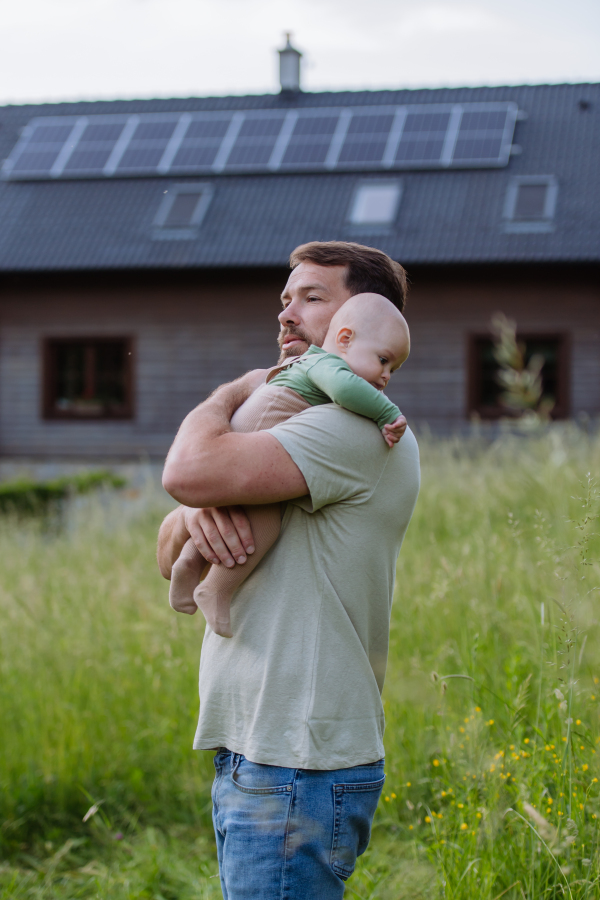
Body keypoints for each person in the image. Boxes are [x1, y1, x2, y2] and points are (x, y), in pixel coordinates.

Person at [158, 241, 421, 900]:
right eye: (285, 298)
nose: (286, 314)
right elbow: (170, 538)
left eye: (311, 298)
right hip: (258, 750)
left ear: (357, 319)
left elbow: (184, 473)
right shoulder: (291, 422)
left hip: (297, 763)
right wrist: (195, 519)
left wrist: (235, 391)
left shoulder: (345, 429)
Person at [169, 292, 410, 637]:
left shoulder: (308, 364)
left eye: (393, 369)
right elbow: (346, 389)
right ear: (344, 339)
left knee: (230, 512)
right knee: (266, 516)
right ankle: (217, 589)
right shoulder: (329, 365)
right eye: (383, 360)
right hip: (261, 423)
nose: (385, 377)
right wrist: (387, 412)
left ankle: (190, 565)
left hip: (254, 422)